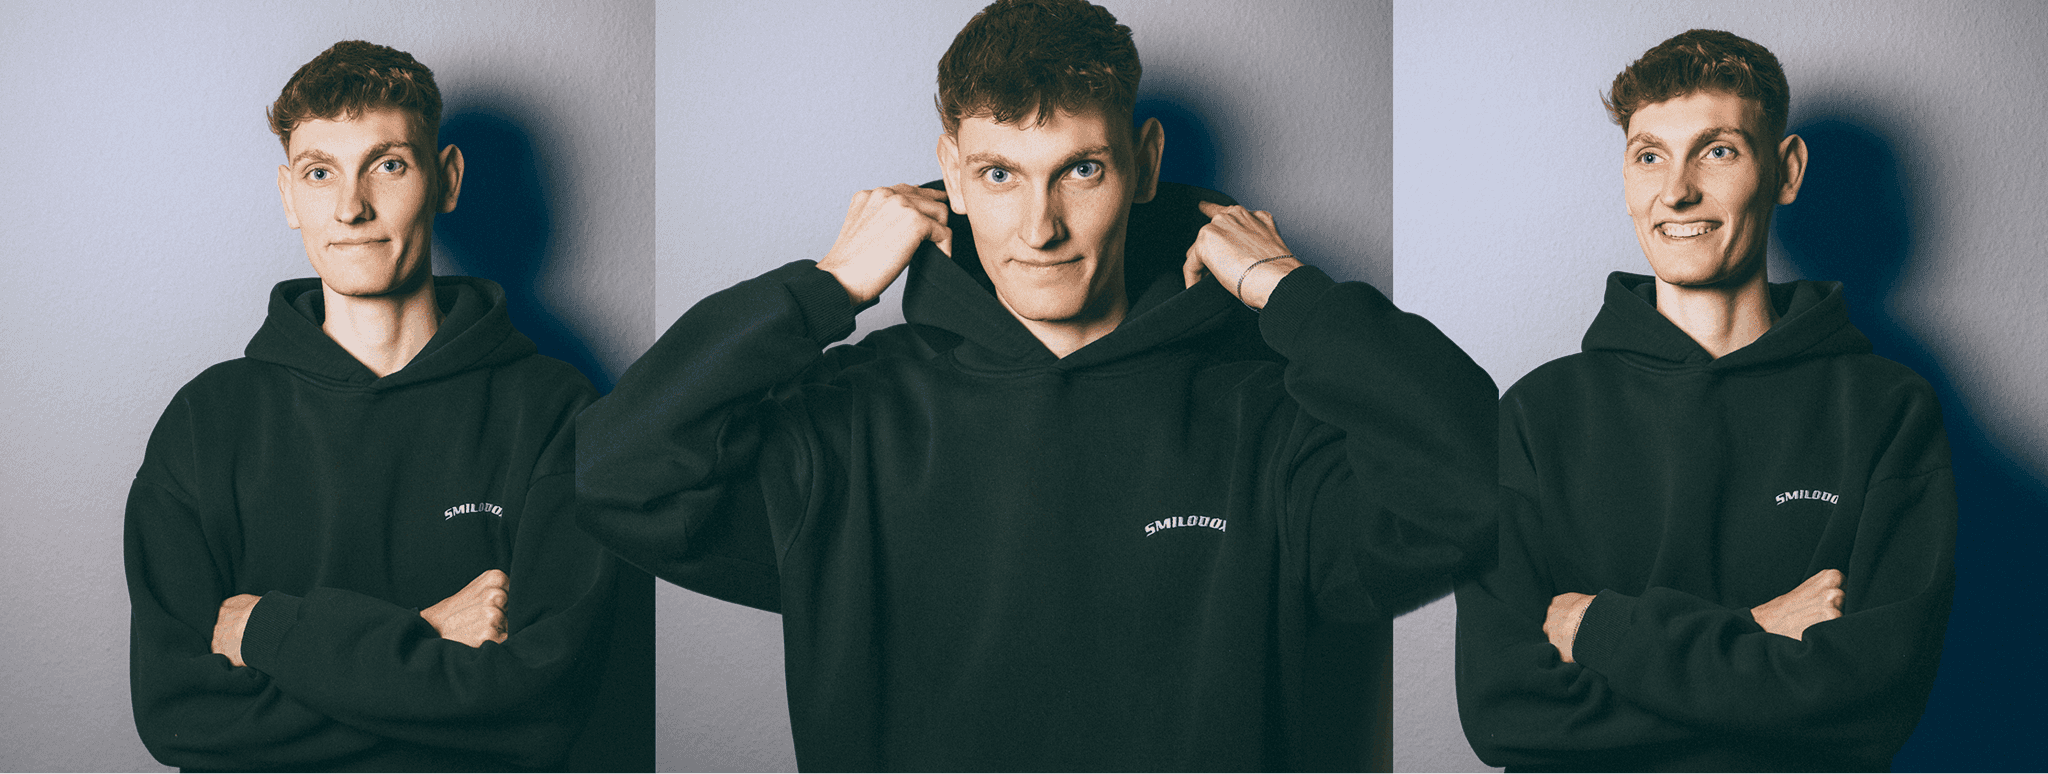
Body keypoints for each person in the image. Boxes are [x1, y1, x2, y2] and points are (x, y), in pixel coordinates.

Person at [575, 1, 1496, 770]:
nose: (1040, 227)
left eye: (1080, 170)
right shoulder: (848, 421)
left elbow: (1470, 491)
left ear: (1144, 163)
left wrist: (1289, 294)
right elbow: (619, 476)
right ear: (952, 173)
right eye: (999, 174)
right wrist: (825, 289)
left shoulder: (1266, 418)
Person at [124, 40, 641, 772]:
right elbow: (181, 717)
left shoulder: (553, 410)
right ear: (288, 196)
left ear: (447, 179)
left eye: (388, 165)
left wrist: (270, 634)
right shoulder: (205, 422)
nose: (351, 207)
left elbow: (540, 715)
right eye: (320, 172)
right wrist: (426, 635)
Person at [1453, 29, 1954, 772]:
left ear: (1786, 171)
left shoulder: (1889, 412)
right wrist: (1759, 628)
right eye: (1650, 156)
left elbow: (1867, 713)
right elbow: (1505, 714)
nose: (1676, 191)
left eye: (1717, 151)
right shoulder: (1533, 416)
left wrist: (1602, 633)